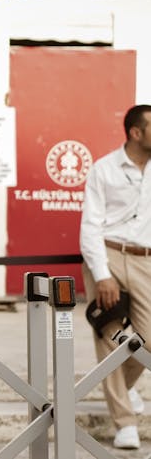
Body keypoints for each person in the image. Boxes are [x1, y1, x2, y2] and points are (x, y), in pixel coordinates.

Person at [80, 103, 151, 449]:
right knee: (109, 336)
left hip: (146, 260)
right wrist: (101, 274)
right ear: (136, 132)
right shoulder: (104, 169)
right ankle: (124, 422)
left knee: (149, 339)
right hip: (106, 253)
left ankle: (124, 388)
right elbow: (90, 225)